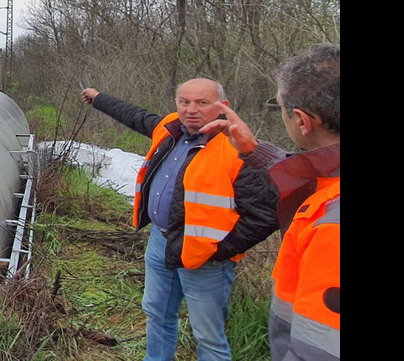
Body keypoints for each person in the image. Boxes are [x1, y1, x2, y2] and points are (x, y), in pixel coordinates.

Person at [81, 78, 279, 361]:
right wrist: (98, 98)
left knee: (208, 336)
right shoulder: (170, 128)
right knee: (157, 313)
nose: (191, 109)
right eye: (184, 102)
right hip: (161, 241)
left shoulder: (237, 149)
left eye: (202, 102)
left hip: (205, 257)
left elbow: (265, 214)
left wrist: (220, 249)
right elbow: (136, 116)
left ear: (223, 106)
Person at [199, 43, 339, 360]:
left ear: (303, 121)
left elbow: (319, 350)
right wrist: (253, 150)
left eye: (280, 107)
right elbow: (319, 174)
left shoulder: (331, 226)